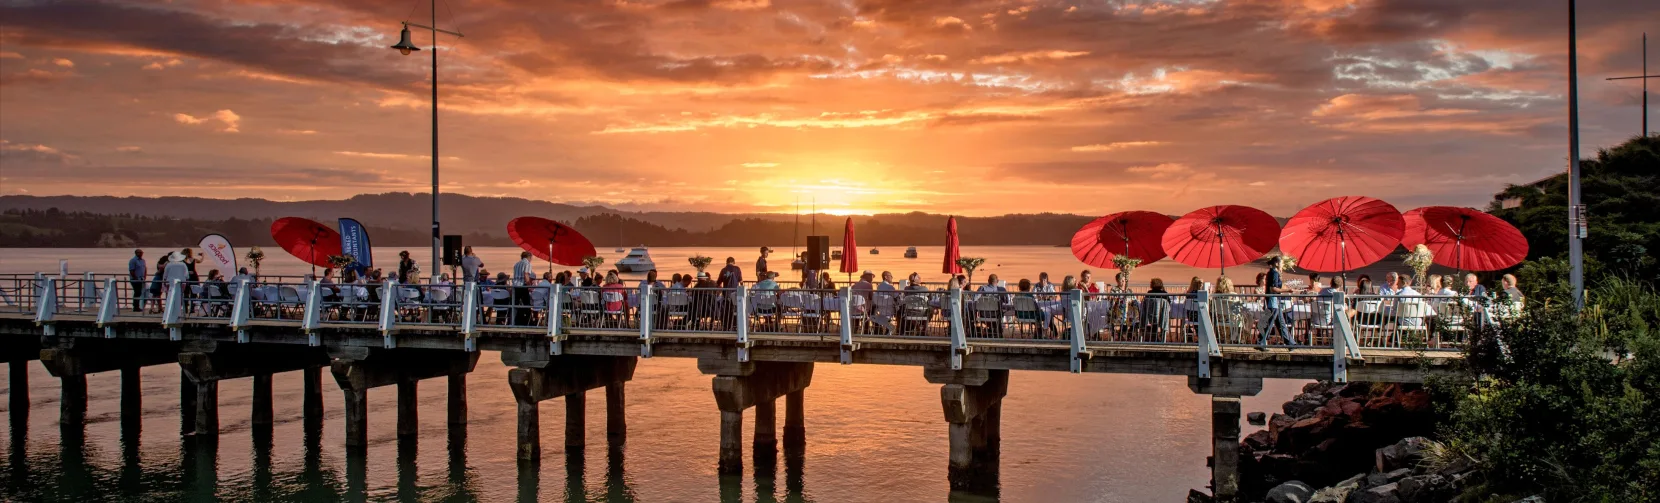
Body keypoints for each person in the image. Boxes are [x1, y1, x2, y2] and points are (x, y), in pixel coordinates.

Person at [1261, 256, 1293, 346]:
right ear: (1277, 263)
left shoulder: (1273, 273)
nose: (1283, 265)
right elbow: (1273, 288)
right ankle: (1261, 340)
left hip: (1275, 300)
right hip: (1273, 299)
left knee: (1281, 322)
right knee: (1270, 321)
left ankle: (1290, 343)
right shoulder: (1274, 273)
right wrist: (1287, 291)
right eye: (1281, 263)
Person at [512, 252, 534, 325]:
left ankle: (515, 321)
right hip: (522, 286)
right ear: (529, 257)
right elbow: (526, 274)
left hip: (515, 285)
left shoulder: (516, 264)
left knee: (516, 304)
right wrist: (529, 285)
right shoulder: (527, 264)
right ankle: (528, 321)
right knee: (526, 304)